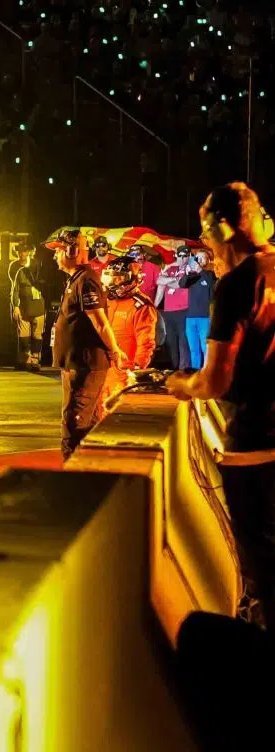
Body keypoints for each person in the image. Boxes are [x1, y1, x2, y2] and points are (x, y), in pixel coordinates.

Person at [170, 183, 275, 624]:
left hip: (254, 449)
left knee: (261, 574)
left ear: (222, 229)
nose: (206, 243)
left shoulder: (237, 284)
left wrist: (183, 385)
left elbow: (215, 380)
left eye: (205, 232)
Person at [48, 229, 127, 459]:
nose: (55, 256)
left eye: (58, 251)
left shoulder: (86, 281)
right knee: (85, 423)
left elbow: (100, 324)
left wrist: (114, 351)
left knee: (75, 424)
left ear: (72, 251)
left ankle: (74, 470)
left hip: (84, 366)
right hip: (76, 364)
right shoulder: (76, 279)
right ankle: (88, 467)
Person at [9, 243, 46, 369]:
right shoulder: (16, 268)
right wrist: (16, 306)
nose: (22, 254)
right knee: (23, 335)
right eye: (20, 251)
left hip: (38, 305)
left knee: (37, 334)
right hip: (23, 305)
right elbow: (14, 289)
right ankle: (24, 359)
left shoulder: (39, 267)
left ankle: (35, 360)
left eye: (25, 251)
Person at [157, 252, 194, 371]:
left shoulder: (190, 268)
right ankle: (174, 369)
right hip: (168, 311)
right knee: (171, 342)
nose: (182, 258)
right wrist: (154, 306)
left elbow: (180, 284)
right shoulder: (171, 269)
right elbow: (159, 281)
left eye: (185, 255)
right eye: (179, 255)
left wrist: (168, 281)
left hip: (184, 310)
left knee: (183, 342)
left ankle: (183, 370)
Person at [185, 248, 218, 372]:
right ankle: (195, 373)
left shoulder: (210, 275)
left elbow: (212, 289)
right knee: (193, 349)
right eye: (197, 257)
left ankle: (207, 373)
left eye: (202, 257)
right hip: (190, 318)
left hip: (205, 317)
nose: (198, 260)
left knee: (206, 348)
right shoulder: (192, 276)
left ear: (208, 260)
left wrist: (200, 271)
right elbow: (182, 284)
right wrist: (188, 272)